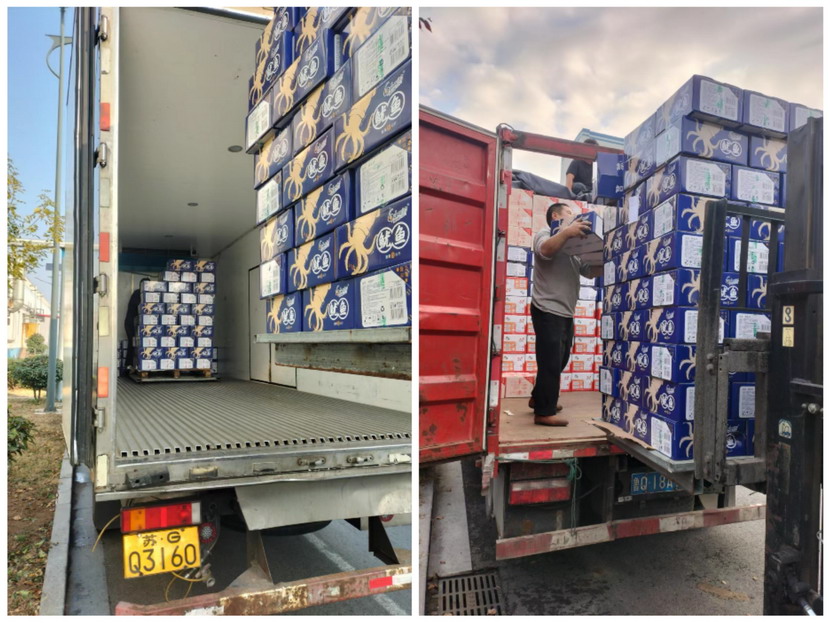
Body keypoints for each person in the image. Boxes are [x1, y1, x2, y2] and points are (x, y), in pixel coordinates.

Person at [530, 202, 603, 426]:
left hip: (565, 311)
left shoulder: (573, 246)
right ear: (556, 216)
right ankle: (544, 412)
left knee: (560, 360)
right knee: (550, 362)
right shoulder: (544, 234)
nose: (575, 216)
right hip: (547, 308)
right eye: (570, 213)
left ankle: (538, 397)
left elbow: (589, 272)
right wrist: (567, 232)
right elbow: (545, 250)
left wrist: (606, 256)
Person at [123, 278, 148, 375]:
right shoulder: (138, 294)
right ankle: (129, 367)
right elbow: (141, 309)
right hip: (131, 324)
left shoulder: (144, 294)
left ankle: (138, 366)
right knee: (133, 344)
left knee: (139, 345)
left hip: (137, 324)